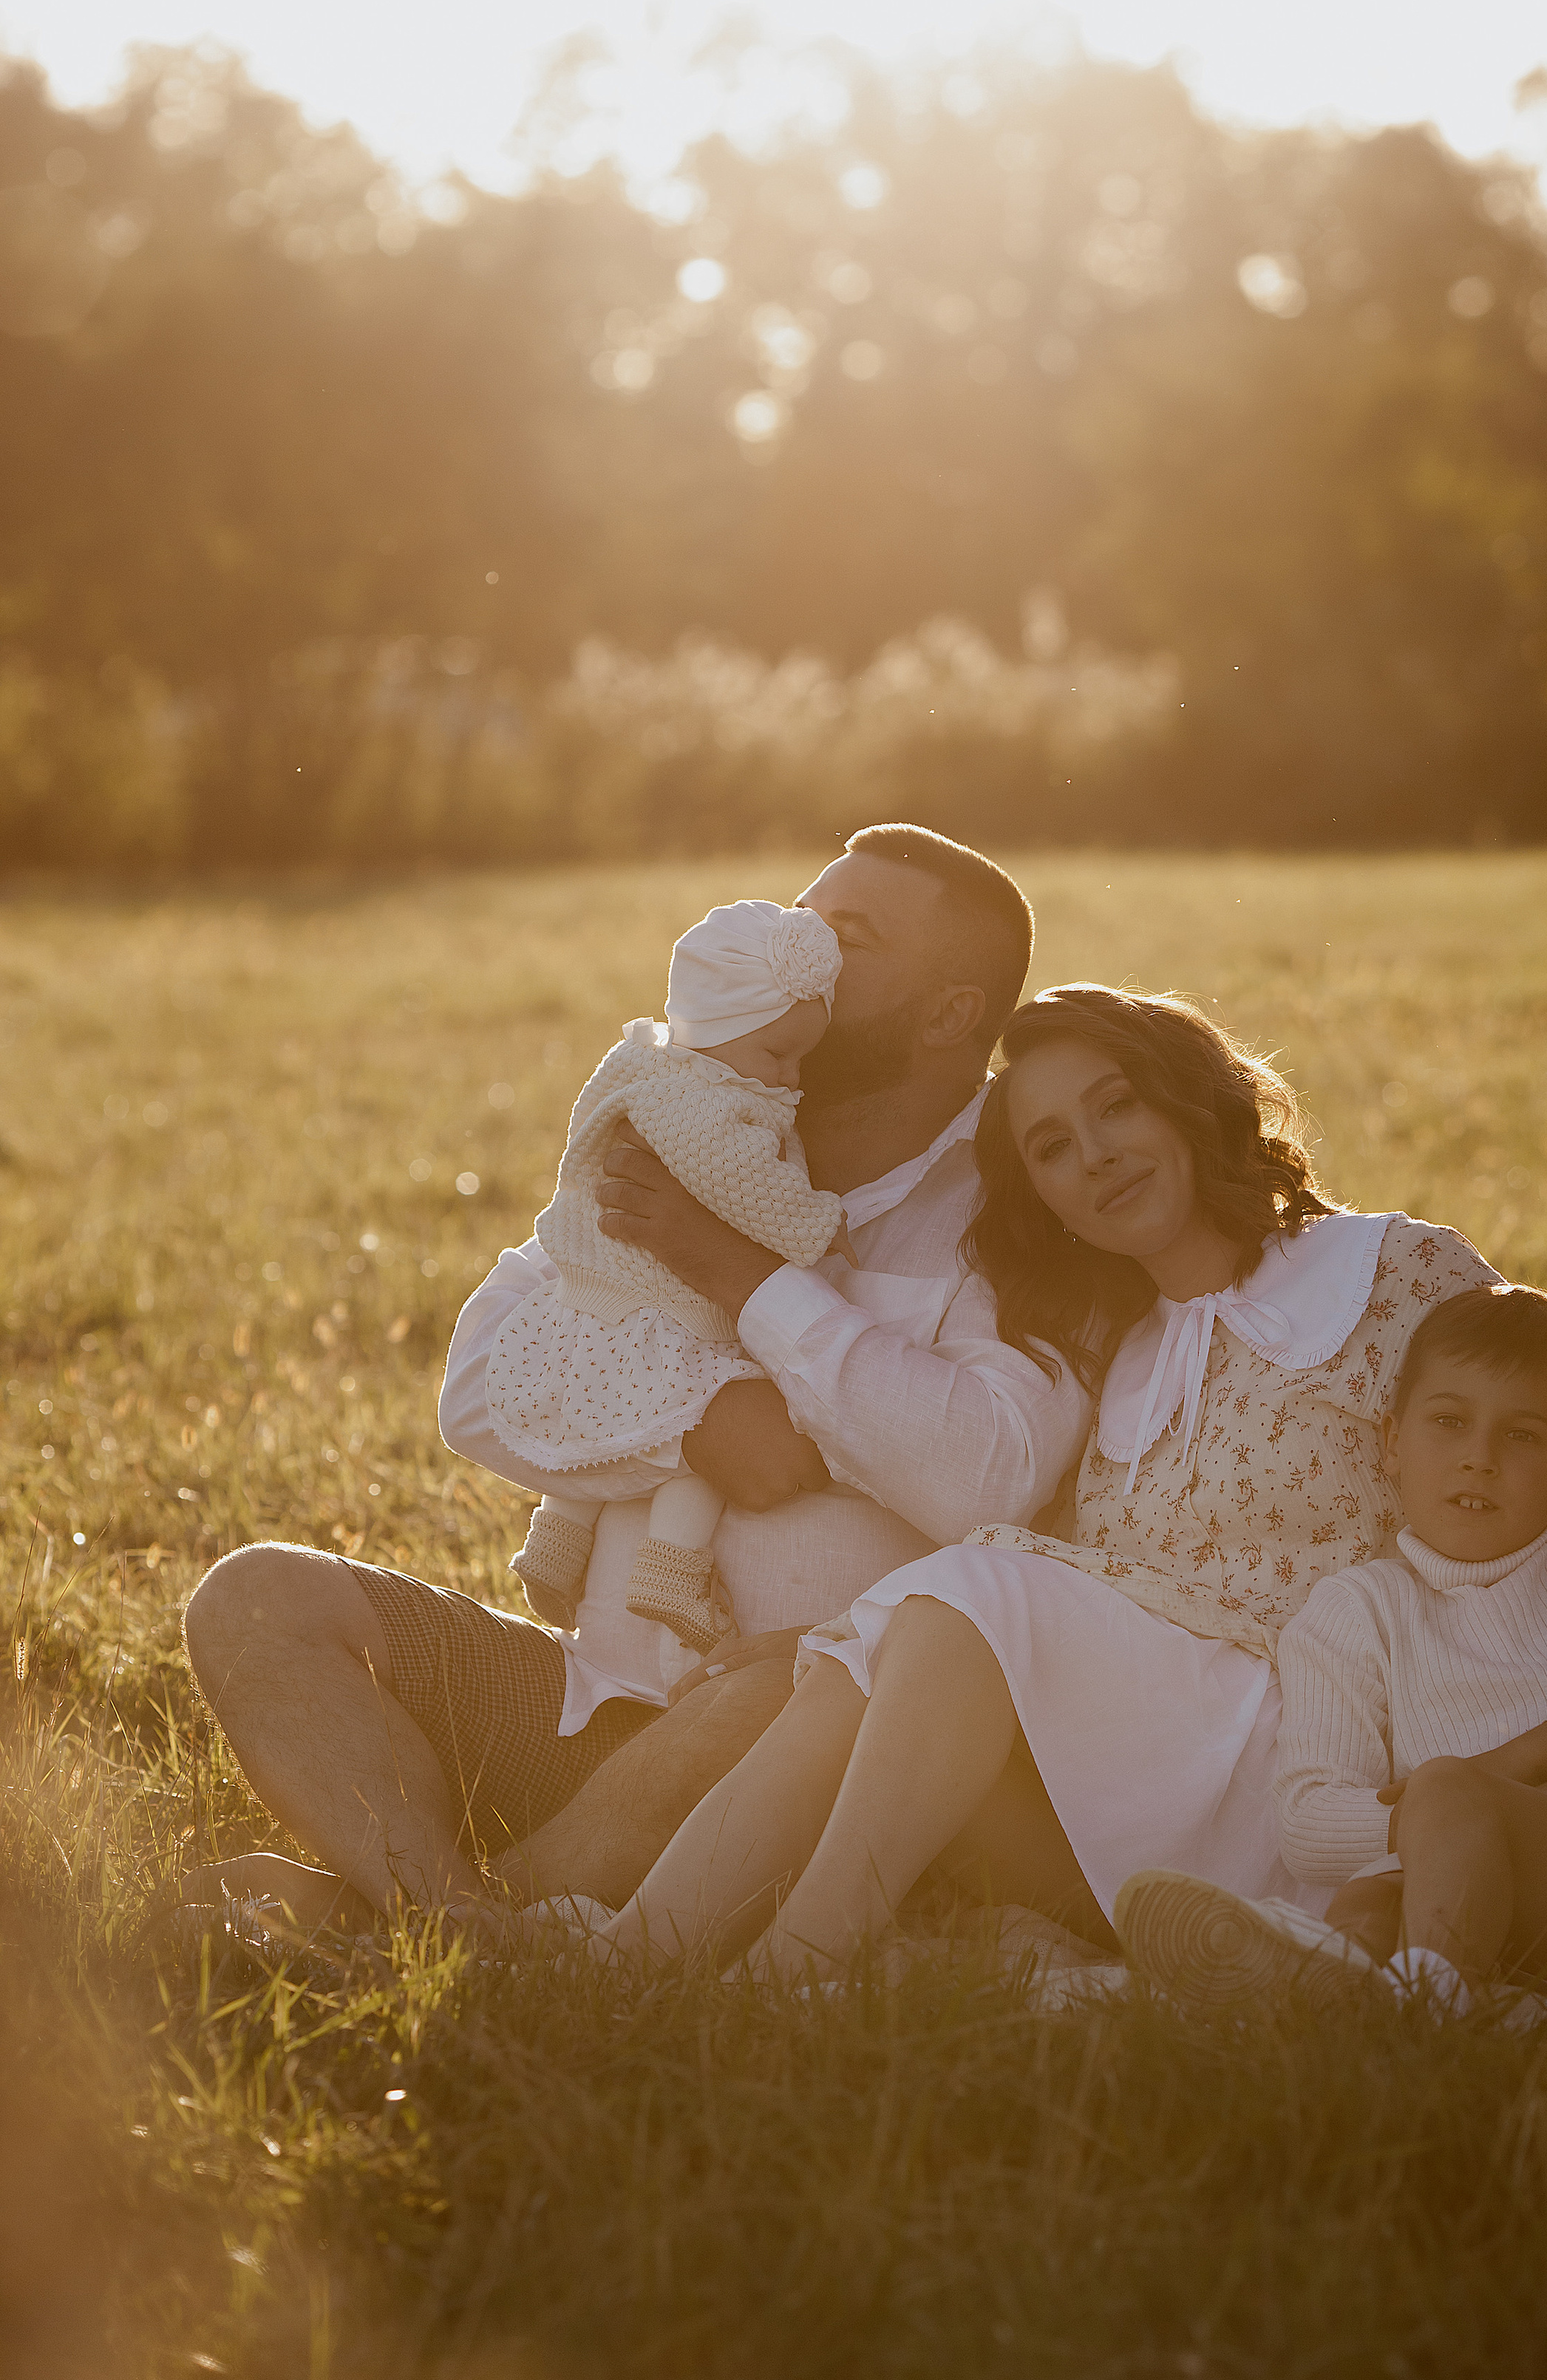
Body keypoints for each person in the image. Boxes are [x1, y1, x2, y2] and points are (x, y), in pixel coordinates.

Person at [602, 989, 1547, 1980]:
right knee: (894, 1644)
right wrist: (845, 1628)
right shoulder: (1115, 1362)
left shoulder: (1393, 1271)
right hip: (1174, 1768)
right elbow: (1061, 1597)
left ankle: (800, 1966)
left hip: (1345, 1766)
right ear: (1041, 1195)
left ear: (1187, 1100)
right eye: (1050, 1146)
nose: (1093, 1154)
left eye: (1117, 1105)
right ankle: (641, 1950)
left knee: (969, 1597)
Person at [180, 825, 1087, 1941]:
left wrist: (743, 1279)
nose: (796, 943)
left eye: (847, 936)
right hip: (579, 1701)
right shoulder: (678, 1111)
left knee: (796, 1686)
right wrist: (698, 1421)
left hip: (788, 1736)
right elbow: (478, 1382)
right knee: (256, 1596)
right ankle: (458, 1920)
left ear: (950, 1014)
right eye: (799, 912)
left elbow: (984, 1474)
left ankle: (424, 1928)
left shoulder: (1026, 1203)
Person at [1112, 1283, 1547, 2016]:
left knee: (1444, 1788)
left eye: (1521, 1435)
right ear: (1391, 1442)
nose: (1477, 1459)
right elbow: (1307, 1819)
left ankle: (1424, 2014)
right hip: (1440, 1880)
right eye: (1449, 1422)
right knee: (1369, 1903)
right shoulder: (1356, 1610)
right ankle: (1339, 1988)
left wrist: (1518, 1769)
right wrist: (1465, 1819)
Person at [495, 898, 847, 1654]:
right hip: (663, 1311)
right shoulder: (705, 1105)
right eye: (778, 1056)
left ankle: (555, 1544)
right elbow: (745, 1185)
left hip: (590, 1299)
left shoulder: (640, 1061)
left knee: (596, 1415)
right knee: (698, 1424)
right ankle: (671, 1571)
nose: (791, 1078)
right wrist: (819, 1225)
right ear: (720, 1035)